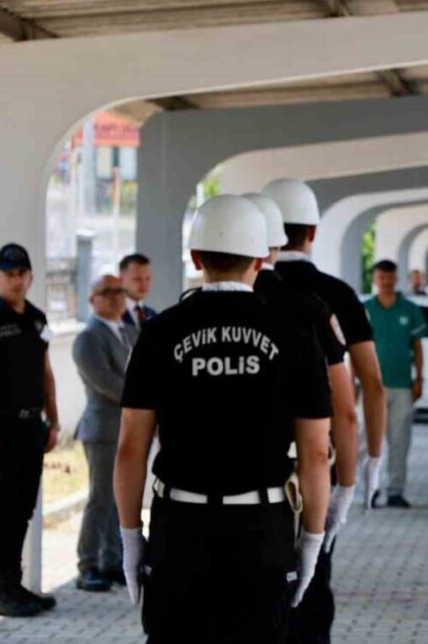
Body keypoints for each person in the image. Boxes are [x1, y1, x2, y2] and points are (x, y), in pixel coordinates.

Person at [113, 195, 333, 643]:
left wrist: (130, 534)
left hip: (180, 527)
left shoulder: (160, 332)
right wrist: (312, 538)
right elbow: (314, 452)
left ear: (195, 257)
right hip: (263, 529)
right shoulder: (295, 336)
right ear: (260, 257)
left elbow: (131, 448)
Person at [264, 178, 387, 644]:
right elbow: (367, 390)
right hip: (320, 465)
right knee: (312, 585)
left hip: (253, 468)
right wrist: (364, 469)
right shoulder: (336, 294)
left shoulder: (252, 293)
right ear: (312, 231)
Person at [0, 243, 61, 617]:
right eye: (9, 274)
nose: (16, 280)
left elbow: (45, 373)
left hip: (30, 428)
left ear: (30, 277)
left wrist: (52, 419)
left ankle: (14, 586)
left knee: (21, 510)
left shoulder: (37, 319)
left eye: (22, 273)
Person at [72, 274, 137, 592]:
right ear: (92, 300)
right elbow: (107, 383)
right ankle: (87, 565)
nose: (115, 297)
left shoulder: (128, 331)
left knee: (117, 498)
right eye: (106, 292)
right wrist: (147, 398)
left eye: (119, 291)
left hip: (128, 431)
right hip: (103, 430)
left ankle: (111, 561)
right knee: (100, 497)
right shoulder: (88, 337)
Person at [363, 260, 427, 509]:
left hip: (402, 385)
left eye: (390, 277)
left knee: (399, 440)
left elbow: (418, 346)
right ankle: (370, 489)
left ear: (396, 278)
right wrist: (353, 381)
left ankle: (396, 491)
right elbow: (353, 349)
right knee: (368, 441)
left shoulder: (410, 309)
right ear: (375, 279)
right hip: (371, 387)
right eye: (381, 277)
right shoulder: (365, 309)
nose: (386, 282)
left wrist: (419, 378)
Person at [119, 253, 156, 328]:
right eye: (137, 279)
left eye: (147, 279)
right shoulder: (112, 315)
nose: (144, 284)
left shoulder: (152, 314)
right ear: (121, 281)